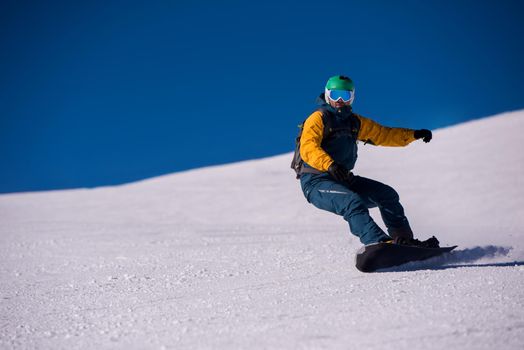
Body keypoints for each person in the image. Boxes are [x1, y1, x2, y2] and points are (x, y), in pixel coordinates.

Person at [297, 75, 437, 247]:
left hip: (343, 179)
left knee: (387, 194)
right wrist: (330, 165)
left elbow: (382, 134)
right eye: (335, 95)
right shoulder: (319, 118)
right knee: (351, 202)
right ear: (327, 96)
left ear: (352, 97)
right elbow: (308, 147)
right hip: (317, 181)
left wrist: (413, 135)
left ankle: (405, 241)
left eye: (345, 95)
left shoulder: (355, 122)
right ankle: (379, 243)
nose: (340, 100)